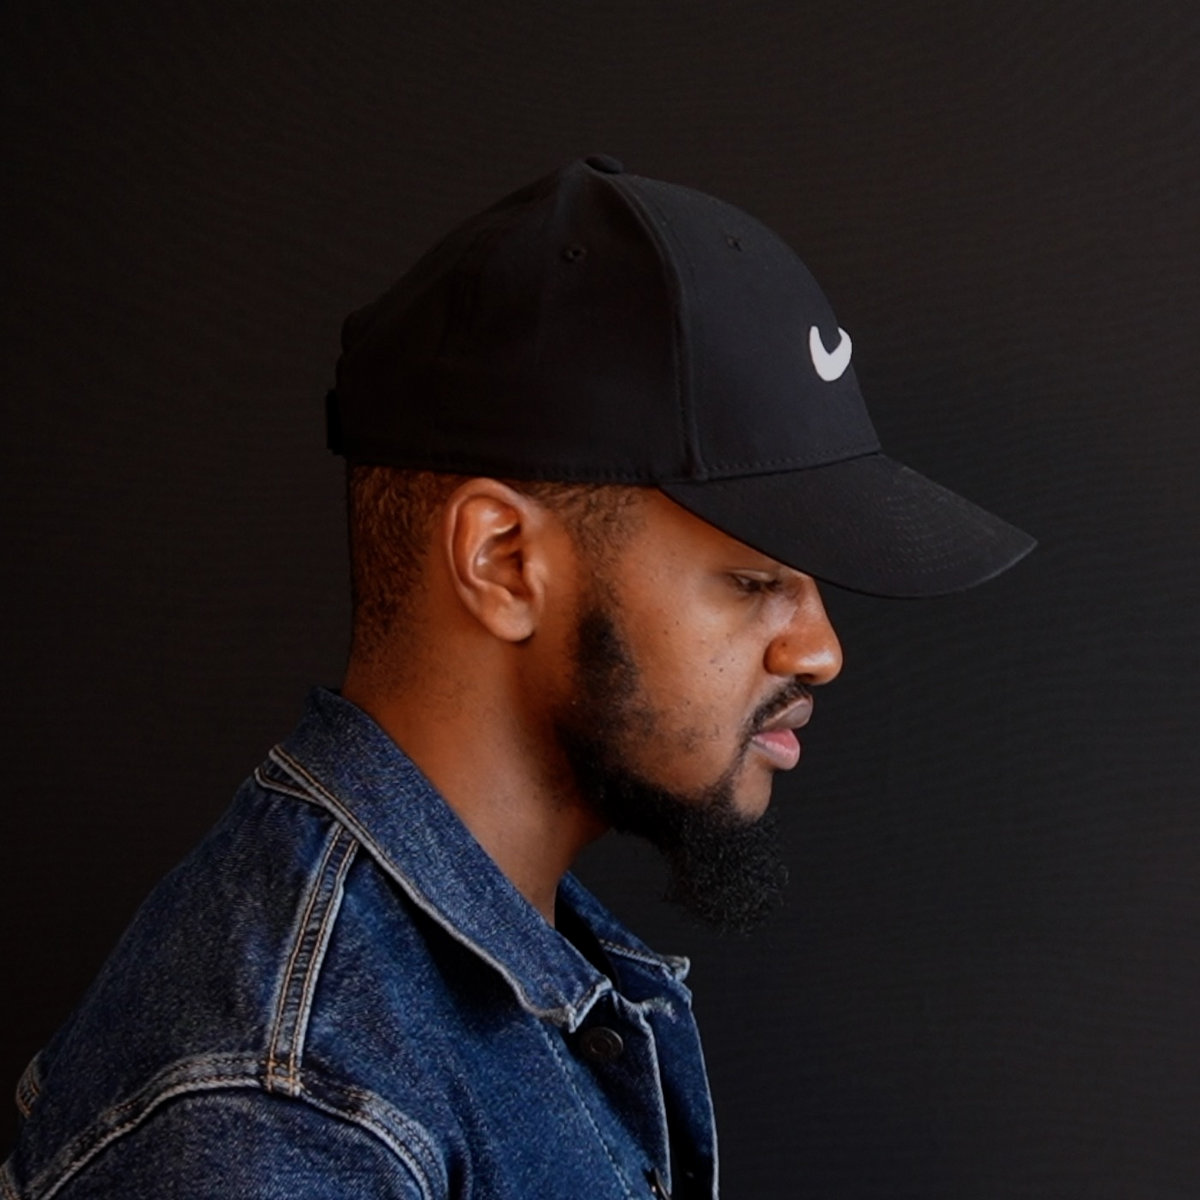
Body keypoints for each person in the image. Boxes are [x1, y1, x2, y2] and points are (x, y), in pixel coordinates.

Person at [2, 155, 1034, 1199]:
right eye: (754, 579)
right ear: (502, 562)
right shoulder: (292, 1116)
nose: (820, 649)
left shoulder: (497, 977)